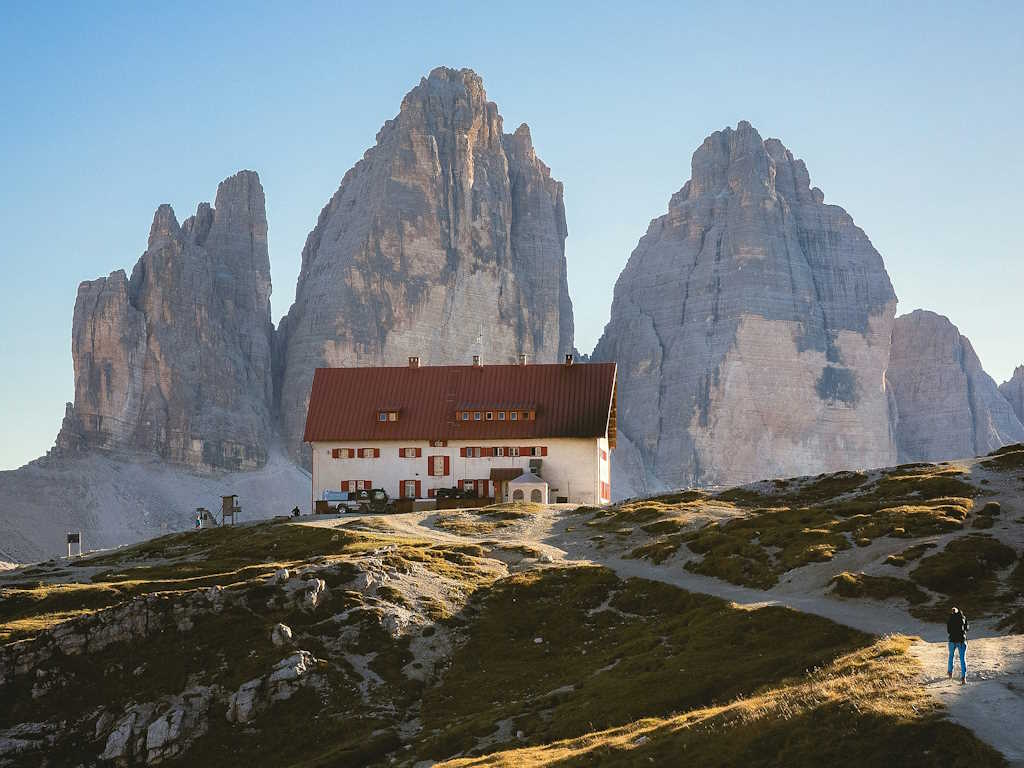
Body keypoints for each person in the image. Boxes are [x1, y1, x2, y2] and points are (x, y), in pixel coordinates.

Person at [947, 607, 968, 685]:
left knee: (951, 656)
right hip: (962, 641)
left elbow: (948, 631)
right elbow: (967, 628)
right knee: (962, 659)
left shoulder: (950, 619)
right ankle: (963, 678)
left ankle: (950, 673)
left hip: (952, 640)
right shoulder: (963, 617)